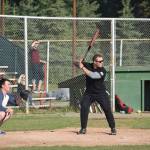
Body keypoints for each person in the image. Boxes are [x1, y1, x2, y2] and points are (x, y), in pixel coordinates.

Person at [77, 53, 116, 135]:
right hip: (89, 93)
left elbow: (93, 76)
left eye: (102, 61)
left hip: (101, 93)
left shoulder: (103, 70)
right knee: (84, 106)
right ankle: (83, 128)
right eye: (99, 61)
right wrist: (79, 62)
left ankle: (113, 128)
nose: (101, 62)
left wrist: (82, 67)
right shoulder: (88, 65)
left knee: (107, 109)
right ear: (94, 62)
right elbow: (74, 63)